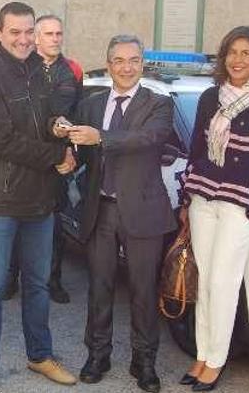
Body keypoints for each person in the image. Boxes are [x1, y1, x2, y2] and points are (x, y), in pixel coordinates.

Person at [0, 1, 78, 393]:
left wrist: (60, 129)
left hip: (40, 199)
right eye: (15, 32)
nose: (24, 39)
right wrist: (55, 157)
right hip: (1, 198)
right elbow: (1, 141)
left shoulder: (42, 74)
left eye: (29, 31)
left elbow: (46, 119)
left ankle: (40, 355)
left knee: (38, 283)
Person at [178, 26, 249, 391]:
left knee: (223, 283)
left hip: (240, 204)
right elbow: (197, 148)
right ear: (223, 57)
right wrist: (186, 197)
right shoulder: (210, 97)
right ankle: (201, 355)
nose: (237, 60)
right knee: (204, 282)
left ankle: (216, 361)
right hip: (203, 200)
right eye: (232, 52)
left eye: (246, 53)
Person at [62, 34, 175, 393]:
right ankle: (98, 355)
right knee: (100, 286)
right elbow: (83, 148)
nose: (126, 68)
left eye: (134, 61)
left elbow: (147, 140)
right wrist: (70, 157)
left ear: (142, 65)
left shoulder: (158, 103)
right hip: (102, 209)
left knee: (143, 290)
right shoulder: (92, 104)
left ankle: (144, 362)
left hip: (143, 210)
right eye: (119, 61)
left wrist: (101, 138)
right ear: (109, 64)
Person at [5, 14, 83, 304]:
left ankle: (52, 280)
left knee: (54, 224)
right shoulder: (23, 68)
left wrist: (71, 153)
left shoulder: (72, 70)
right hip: (25, 155)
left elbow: (78, 113)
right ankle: (10, 279)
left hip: (58, 160)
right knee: (14, 220)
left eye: (59, 33)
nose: (55, 39)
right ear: (36, 37)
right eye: (48, 34)